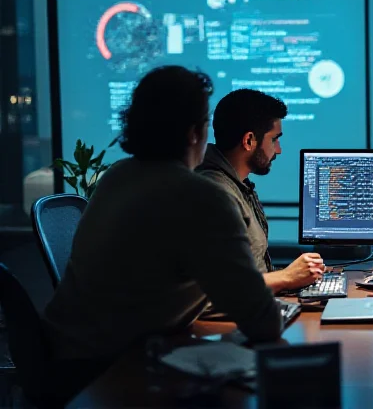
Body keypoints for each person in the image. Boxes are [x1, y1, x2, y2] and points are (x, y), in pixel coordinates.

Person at [44, 66, 283, 402]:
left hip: (65, 356)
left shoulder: (116, 177)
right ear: (193, 133)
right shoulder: (202, 197)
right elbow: (263, 322)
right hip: (111, 373)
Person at [197, 89, 324, 293]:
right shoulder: (214, 195)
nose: (279, 149)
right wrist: (287, 277)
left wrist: (295, 275)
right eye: (274, 139)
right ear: (249, 141)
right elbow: (219, 287)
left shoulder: (237, 185)